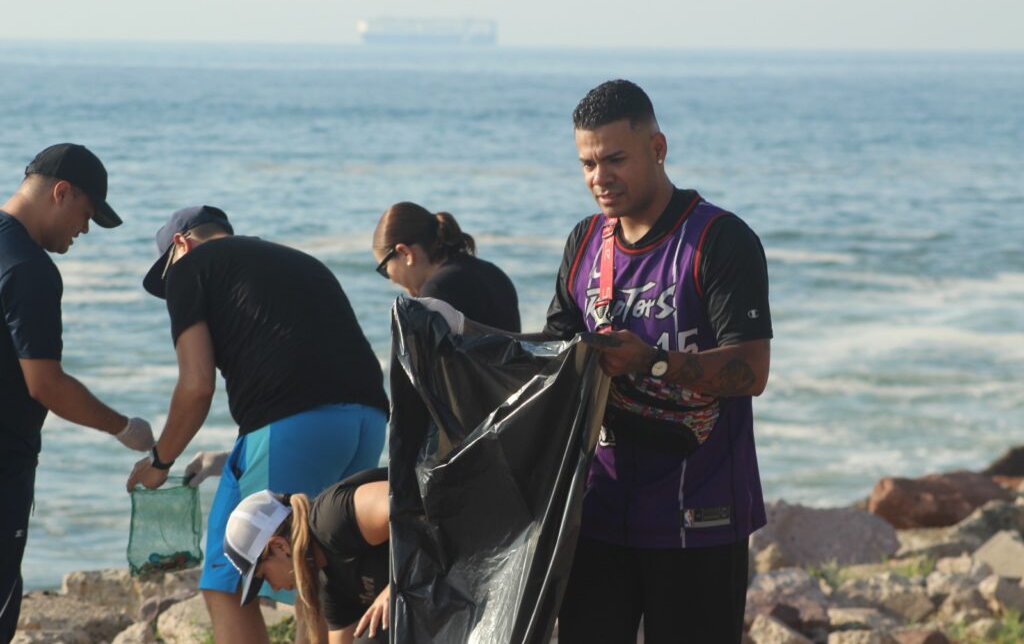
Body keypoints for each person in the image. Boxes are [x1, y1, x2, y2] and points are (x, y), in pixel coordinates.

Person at [542, 80, 773, 643]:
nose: (600, 178)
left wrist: (654, 362)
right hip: (597, 513)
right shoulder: (585, 242)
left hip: (700, 514)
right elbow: (555, 357)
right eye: (588, 164)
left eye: (615, 159)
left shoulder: (719, 240)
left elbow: (752, 370)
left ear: (658, 147)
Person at [125, 206, 389, 644]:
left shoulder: (190, 267)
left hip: (290, 424)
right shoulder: (295, 259)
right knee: (324, 570)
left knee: (236, 581)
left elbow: (196, 388)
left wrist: (159, 460)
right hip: (368, 420)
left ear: (181, 244)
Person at [1, 143, 154, 642]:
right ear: (60, 193)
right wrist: (122, 427)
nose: (84, 231)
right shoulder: (29, 270)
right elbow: (45, 383)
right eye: (86, 216)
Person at [223, 468, 390, 644]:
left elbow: (415, 502)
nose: (274, 588)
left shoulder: (331, 519)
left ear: (279, 546)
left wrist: (391, 591)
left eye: (264, 576)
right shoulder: (331, 582)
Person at [372, 202, 520, 332]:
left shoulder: (437, 291)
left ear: (405, 253)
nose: (390, 279)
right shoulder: (493, 273)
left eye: (384, 269)